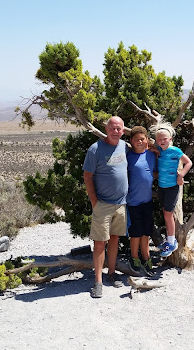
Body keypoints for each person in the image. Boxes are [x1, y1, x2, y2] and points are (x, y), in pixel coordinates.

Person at [83, 116, 127, 298]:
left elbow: (144, 148)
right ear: (107, 128)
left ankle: (111, 274)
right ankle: (98, 282)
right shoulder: (95, 149)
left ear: (123, 131)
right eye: (112, 128)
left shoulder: (124, 146)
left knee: (115, 239)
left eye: (119, 128)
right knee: (100, 243)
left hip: (121, 204)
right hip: (103, 204)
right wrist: (94, 202)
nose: (115, 131)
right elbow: (87, 176)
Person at [150, 122, 192, 257]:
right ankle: (170, 240)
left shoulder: (175, 151)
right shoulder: (160, 150)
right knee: (166, 214)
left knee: (168, 215)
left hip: (172, 187)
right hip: (162, 186)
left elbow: (188, 162)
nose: (162, 141)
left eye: (165, 139)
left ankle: (171, 242)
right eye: (159, 139)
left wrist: (181, 175)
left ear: (171, 139)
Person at [126, 126, 157, 276]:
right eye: (136, 139)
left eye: (142, 139)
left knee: (146, 232)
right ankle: (134, 258)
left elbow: (156, 171)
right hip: (133, 202)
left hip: (147, 201)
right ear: (131, 141)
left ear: (146, 140)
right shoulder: (128, 157)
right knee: (136, 233)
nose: (139, 141)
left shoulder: (151, 156)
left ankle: (147, 258)